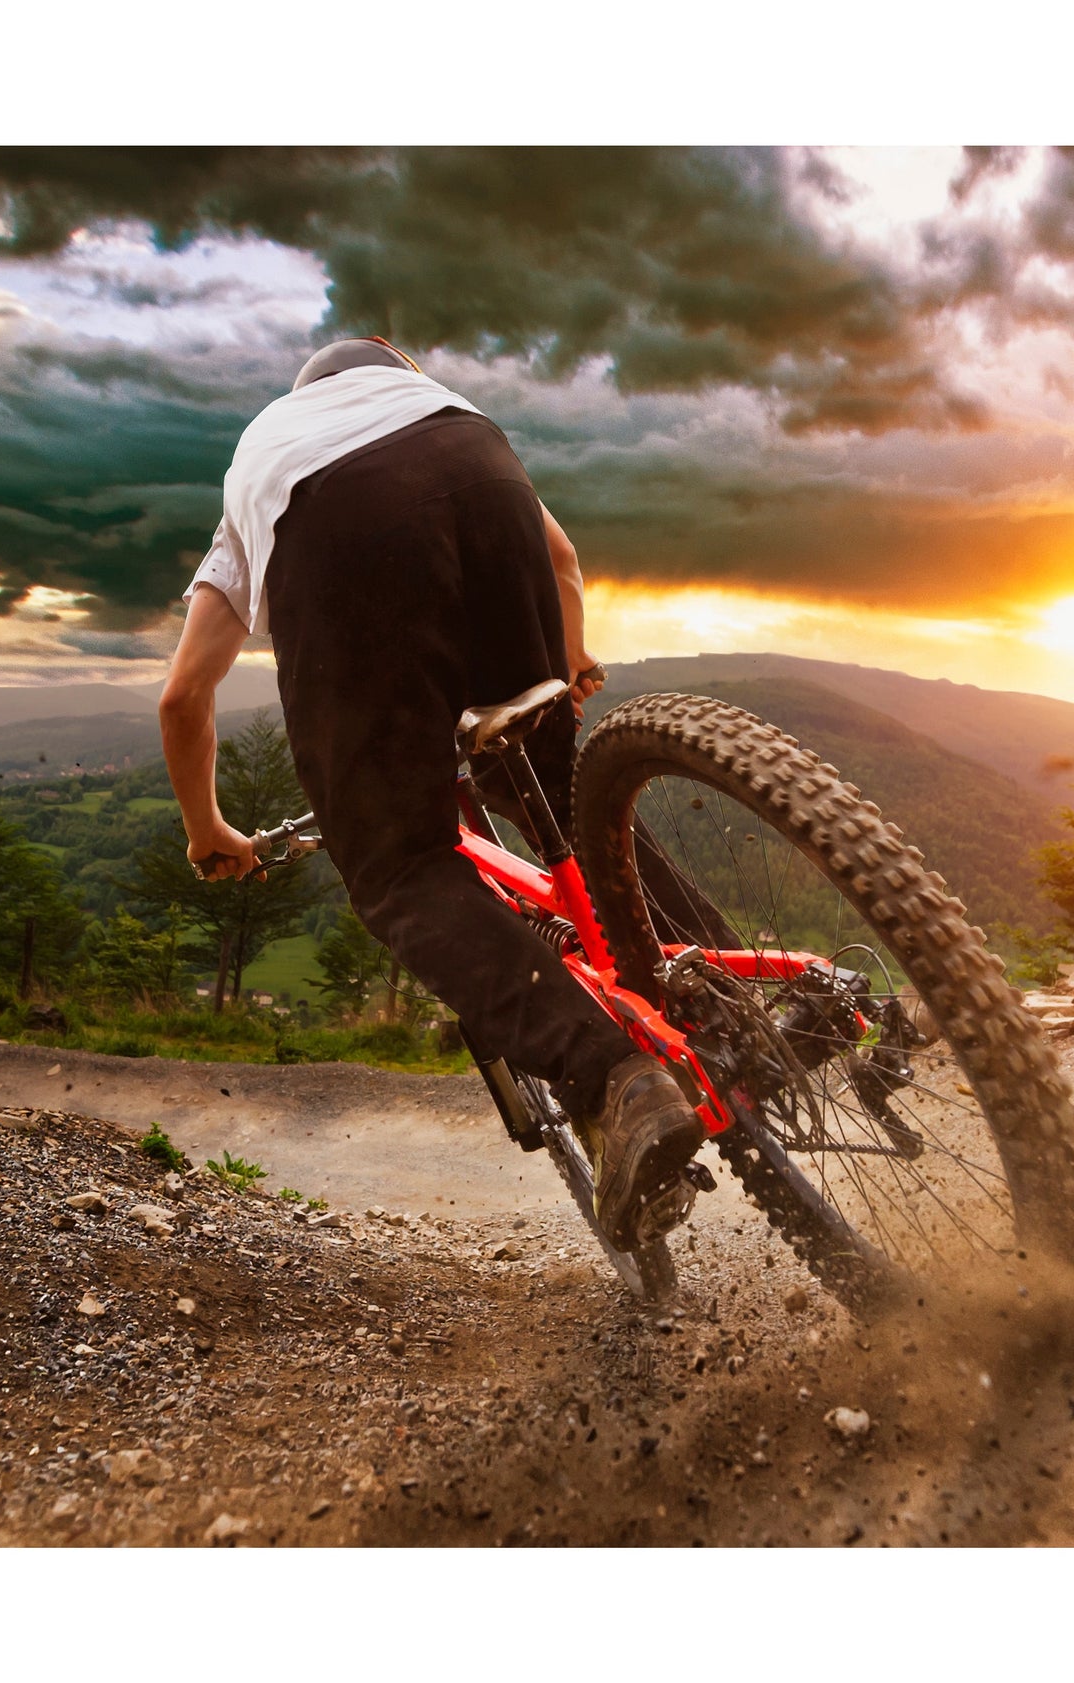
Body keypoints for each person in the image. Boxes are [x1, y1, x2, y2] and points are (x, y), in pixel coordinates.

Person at [157, 336, 705, 1248]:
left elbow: (184, 697)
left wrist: (207, 827)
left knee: (401, 864)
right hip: (488, 477)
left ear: (305, 391)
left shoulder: (269, 452)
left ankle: (617, 1079)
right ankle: (731, 999)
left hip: (335, 523)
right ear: (391, 370)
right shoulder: (434, 404)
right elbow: (563, 561)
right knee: (564, 802)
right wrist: (566, 665)